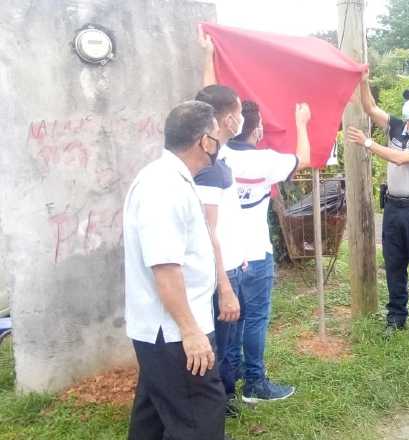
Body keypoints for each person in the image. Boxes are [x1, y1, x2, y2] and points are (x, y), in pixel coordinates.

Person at [200, 29, 313, 403]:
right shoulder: (267, 162)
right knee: (256, 320)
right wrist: (301, 123)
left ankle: (226, 392)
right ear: (257, 129)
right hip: (257, 254)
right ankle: (256, 384)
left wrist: (208, 58)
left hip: (225, 258)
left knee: (226, 325)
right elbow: (305, 158)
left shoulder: (214, 152)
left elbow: (207, 110)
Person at [123, 101, 226, 439]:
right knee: (200, 421)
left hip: (167, 332)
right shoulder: (163, 187)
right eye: (217, 136)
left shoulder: (171, 179)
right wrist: (192, 333)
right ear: (204, 141)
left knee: (152, 418)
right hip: (174, 333)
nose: (219, 143)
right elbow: (165, 269)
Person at [347, 71, 409, 340]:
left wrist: (368, 143)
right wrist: (364, 82)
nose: (408, 102)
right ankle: (396, 316)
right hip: (393, 208)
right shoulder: (398, 126)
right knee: (394, 264)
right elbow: (370, 108)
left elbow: (401, 158)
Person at [193, 84, 244, 414]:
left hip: (232, 266)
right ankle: (214, 404)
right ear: (228, 119)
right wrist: (224, 284)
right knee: (219, 345)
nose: (242, 118)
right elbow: (207, 230)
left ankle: (223, 396)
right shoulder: (209, 169)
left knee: (228, 343)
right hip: (219, 274)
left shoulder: (220, 158)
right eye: (239, 112)